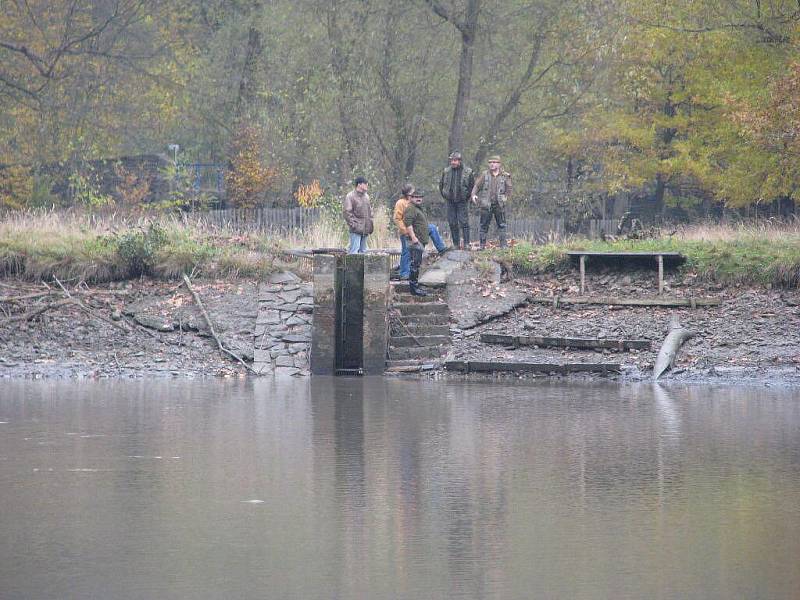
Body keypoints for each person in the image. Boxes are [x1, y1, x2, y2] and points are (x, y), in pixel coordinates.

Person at [393, 183, 448, 280]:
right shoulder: (401, 203)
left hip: (417, 230)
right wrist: (406, 231)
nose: (415, 195)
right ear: (407, 194)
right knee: (406, 252)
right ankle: (404, 273)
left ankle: (442, 248)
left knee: (432, 228)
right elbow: (397, 219)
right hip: (406, 232)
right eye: (412, 193)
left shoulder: (414, 203)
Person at [471, 155, 512, 249]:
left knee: (502, 225)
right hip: (486, 204)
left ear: (499, 164)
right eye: (490, 162)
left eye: (494, 162)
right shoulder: (484, 174)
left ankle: (503, 246)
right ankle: (482, 246)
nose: (492, 164)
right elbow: (477, 186)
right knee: (483, 226)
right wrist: (473, 194)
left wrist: (505, 197)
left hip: (499, 204)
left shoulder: (505, 176)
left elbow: (509, 188)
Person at [439, 151, 475, 249]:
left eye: (455, 160)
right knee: (452, 222)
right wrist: (445, 195)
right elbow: (441, 185)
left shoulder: (468, 171)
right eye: (451, 160)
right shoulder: (446, 171)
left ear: (460, 161)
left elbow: (472, 186)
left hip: (462, 201)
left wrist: (466, 197)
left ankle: (467, 243)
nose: (452, 162)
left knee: (464, 222)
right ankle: (456, 244)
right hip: (450, 201)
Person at [402, 189, 433, 296]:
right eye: (416, 197)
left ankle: (415, 286)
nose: (419, 198)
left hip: (419, 241)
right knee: (415, 264)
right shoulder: (410, 208)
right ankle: (413, 289)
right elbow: (408, 224)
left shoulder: (417, 208)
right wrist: (414, 237)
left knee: (417, 263)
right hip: (415, 242)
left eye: (420, 197)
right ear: (411, 198)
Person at [343, 176, 373, 254]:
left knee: (364, 253)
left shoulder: (367, 197)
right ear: (359, 185)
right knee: (354, 253)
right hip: (356, 230)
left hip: (365, 229)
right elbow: (347, 212)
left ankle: (362, 267)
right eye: (365, 183)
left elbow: (370, 212)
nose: (367, 185)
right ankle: (351, 267)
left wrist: (370, 225)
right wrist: (354, 225)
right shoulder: (350, 196)